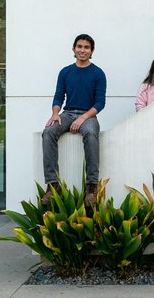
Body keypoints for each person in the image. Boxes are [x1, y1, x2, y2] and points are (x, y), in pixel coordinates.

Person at [41, 34, 107, 207]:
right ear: (73, 49)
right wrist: (55, 113)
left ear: (91, 51)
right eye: (79, 46)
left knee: (91, 134)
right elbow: (58, 96)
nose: (82, 50)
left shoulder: (98, 73)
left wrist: (83, 118)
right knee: (48, 132)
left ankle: (91, 187)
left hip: (88, 115)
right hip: (67, 114)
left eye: (86, 47)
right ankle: (52, 185)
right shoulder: (65, 72)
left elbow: (100, 102)